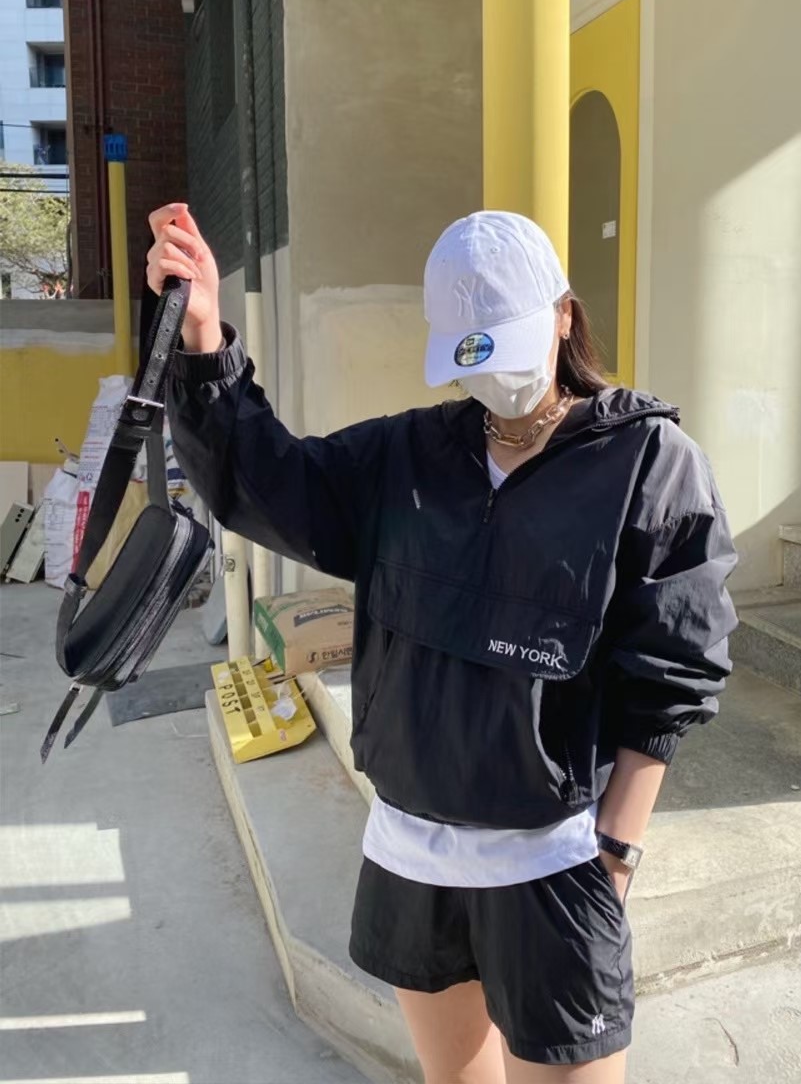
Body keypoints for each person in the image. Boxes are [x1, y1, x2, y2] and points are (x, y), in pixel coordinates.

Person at [149, 203, 738, 1084]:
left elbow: (677, 670)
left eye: (508, 347)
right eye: (474, 358)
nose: (494, 380)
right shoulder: (407, 455)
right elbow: (265, 483)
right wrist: (203, 340)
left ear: (564, 316)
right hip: (410, 856)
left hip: (552, 863)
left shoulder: (648, 463)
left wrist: (614, 857)